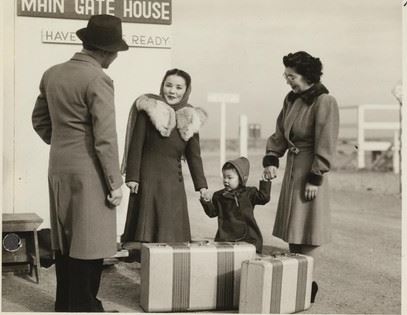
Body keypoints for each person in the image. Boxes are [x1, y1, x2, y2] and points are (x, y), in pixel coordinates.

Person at [32, 14, 128, 312]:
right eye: (114, 52)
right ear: (104, 50)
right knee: (90, 241)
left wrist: (63, 143)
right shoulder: (99, 78)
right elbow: (105, 138)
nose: (114, 58)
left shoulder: (52, 73)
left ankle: (67, 304)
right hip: (91, 171)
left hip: (58, 166)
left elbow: (39, 120)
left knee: (65, 239)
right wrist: (115, 183)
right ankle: (86, 306)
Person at [262, 51, 339, 303]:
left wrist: (316, 177)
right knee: (294, 229)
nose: (287, 80)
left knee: (309, 229)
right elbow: (280, 134)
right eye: (285, 75)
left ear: (306, 76)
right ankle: (297, 281)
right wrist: (272, 158)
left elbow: (326, 142)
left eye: (291, 76)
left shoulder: (324, 101)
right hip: (293, 170)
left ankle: (307, 283)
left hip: (310, 171)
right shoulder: (291, 99)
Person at [121, 68, 209, 244]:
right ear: (162, 86)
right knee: (145, 231)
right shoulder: (150, 109)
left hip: (173, 182)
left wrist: (202, 186)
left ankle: (166, 263)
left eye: (178, 87)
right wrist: (133, 177)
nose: (172, 91)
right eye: (169, 86)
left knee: (171, 231)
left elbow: (194, 156)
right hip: (148, 179)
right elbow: (136, 145)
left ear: (186, 90)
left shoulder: (191, 117)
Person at [200, 157, 271, 253]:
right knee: (226, 261)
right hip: (226, 237)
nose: (225, 180)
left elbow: (264, 198)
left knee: (249, 261)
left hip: (248, 237)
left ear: (241, 178)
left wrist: (265, 182)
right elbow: (212, 213)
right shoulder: (219, 196)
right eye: (224, 177)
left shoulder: (249, 193)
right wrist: (206, 202)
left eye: (230, 178)